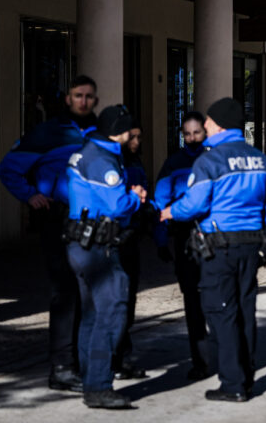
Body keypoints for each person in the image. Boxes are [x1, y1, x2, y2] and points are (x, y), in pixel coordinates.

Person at [160, 98, 266, 402]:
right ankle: (247, 375)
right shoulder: (260, 159)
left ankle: (233, 383)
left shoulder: (210, 161)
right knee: (245, 310)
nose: (204, 127)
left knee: (222, 312)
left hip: (219, 246)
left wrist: (170, 212)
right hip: (251, 245)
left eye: (208, 122)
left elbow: (196, 204)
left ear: (218, 125)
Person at [0, 75, 99, 392]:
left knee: (90, 292)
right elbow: (8, 168)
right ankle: (62, 367)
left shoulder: (99, 133)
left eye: (89, 96)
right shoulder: (47, 133)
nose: (83, 101)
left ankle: (84, 361)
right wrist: (30, 195)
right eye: (78, 95)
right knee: (65, 292)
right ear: (68, 99)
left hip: (94, 222)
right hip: (59, 221)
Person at [65, 104, 147, 409]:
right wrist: (135, 198)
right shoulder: (102, 158)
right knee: (112, 311)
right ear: (120, 131)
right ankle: (99, 386)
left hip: (82, 243)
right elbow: (116, 206)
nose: (132, 134)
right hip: (97, 248)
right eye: (130, 129)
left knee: (92, 315)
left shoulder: (89, 151)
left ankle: (90, 380)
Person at [152, 111, 210, 380]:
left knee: (215, 297)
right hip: (185, 236)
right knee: (192, 300)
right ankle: (200, 360)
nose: (192, 138)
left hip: (212, 232)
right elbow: (161, 202)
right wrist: (161, 238)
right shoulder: (173, 163)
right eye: (187, 134)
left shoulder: (213, 158)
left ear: (205, 132)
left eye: (196, 132)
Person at [112, 121, 148, 380]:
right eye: (132, 136)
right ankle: (114, 358)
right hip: (115, 236)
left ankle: (122, 355)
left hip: (132, 235)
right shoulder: (113, 163)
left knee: (128, 300)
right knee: (116, 301)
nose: (136, 142)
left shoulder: (136, 162)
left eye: (139, 137)